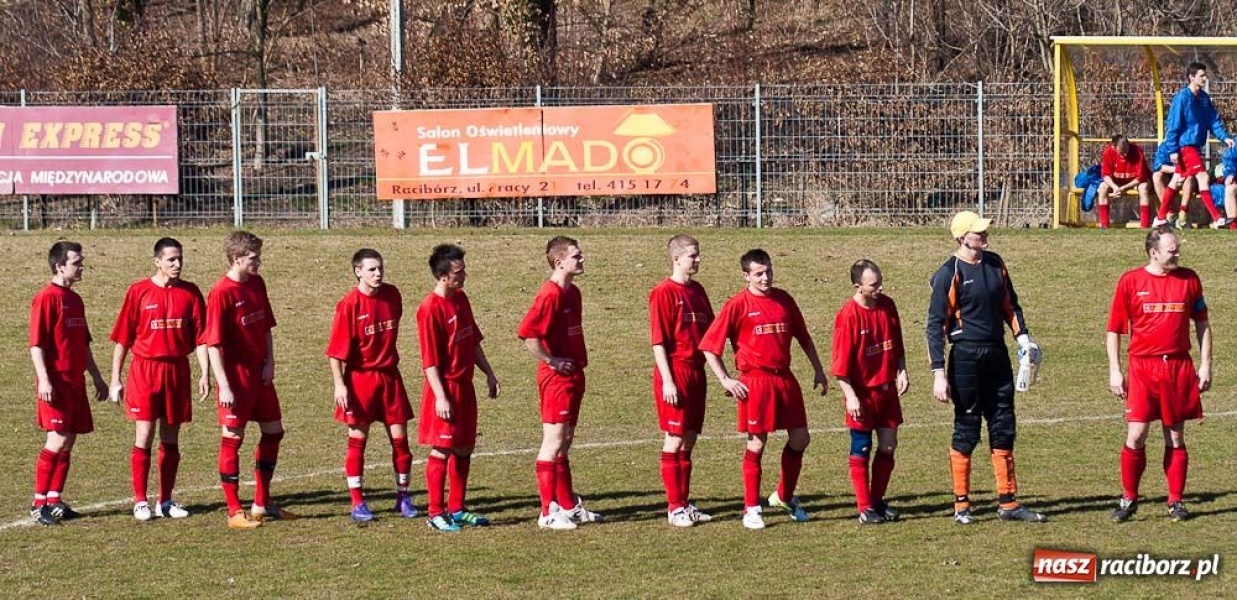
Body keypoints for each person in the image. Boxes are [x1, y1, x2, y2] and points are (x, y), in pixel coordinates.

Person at [926, 211, 1046, 525]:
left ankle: (1009, 502)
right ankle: (961, 505)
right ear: (962, 237)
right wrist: (938, 373)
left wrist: (1023, 339)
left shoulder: (995, 263)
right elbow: (935, 325)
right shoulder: (948, 273)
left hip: (997, 354)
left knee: (1003, 423)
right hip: (966, 356)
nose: (984, 235)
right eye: (978, 232)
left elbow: (1010, 305)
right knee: (967, 427)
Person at [699, 249, 828, 530]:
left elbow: (804, 337)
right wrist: (725, 379)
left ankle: (784, 496)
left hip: (785, 379)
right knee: (757, 443)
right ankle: (751, 508)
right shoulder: (737, 305)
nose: (765, 277)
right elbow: (709, 347)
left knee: (801, 439)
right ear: (746, 276)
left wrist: (818, 369)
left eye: (768, 271)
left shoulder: (784, 300)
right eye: (758, 273)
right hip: (755, 382)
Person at [1106, 227, 1211, 522]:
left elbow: (1202, 323)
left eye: (1177, 249)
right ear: (1154, 252)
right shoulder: (1130, 281)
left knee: (1175, 435)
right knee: (1136, 434)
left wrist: (1205, 364)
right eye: (1171, 250)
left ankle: (1175, 501)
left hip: (1177, 367)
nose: (1177, 254)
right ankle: (1129, 498)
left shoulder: (1190, 280)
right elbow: (1114, 329)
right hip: (1142, 367)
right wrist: (1115, 371)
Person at [108, 238, 209, 522]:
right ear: (157, 261)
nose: (177, 264)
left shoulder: (190, 293)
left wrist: (205, 373)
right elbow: (122, 339)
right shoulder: (138, 291)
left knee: (170, 438)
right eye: (171, 260)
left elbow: (202, 338)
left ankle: (165, 500)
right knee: (144, 435)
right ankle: (140, 500)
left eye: (180, 259)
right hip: (145, 370)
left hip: (177, 370)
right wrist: (115, 378)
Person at [204, 231, 293, 529]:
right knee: (233, 438)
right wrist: (224, 385)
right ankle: (233, 511)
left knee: (274, 431)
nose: (259, 262)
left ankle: (261, 502)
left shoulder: (257, 283)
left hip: (260, 374)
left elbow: (266, 326)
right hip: (235, 378)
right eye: (254, 258)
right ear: (236, 258)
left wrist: (270, 362)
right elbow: (213, 344)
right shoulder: (221, 293)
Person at [326, 248, 417, 525]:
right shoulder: (349, 305)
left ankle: (403, 496)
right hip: (360, 380)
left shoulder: (393, 295)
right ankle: (357, 502)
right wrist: (339, 385)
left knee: (401, 442)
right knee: (358, 441)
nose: (378, 274)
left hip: (390, 377)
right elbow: (335, 352)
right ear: (358, 272)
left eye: (380, 268)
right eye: (372, 269)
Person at [518, 236, 601, 531]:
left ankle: (568, 506)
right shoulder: (549, 295)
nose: (582, 259)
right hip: (556, 379)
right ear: (559, 262)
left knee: (565, 442)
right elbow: (528, 334)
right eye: (576, 256)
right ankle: (547, 512)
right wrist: (551, 360)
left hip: (574, 374)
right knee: (552, 442)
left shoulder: (573, 293)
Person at [415, 244, 501, 532]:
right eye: (458, 272)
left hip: (465, 386)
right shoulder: (429, 310)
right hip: (444, 389)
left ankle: (457, 507)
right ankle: (434, 512)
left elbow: (472, 340)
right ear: (443, 276)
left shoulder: (461, 299)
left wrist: (489, 373)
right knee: (442, 449)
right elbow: (429, 362)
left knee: (464, 447)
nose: (464, 276)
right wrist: (441, 397)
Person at [28, 241, 109, 526]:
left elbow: (83, 344)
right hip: (56, 383)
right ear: (60, 266)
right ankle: (38, 503)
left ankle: (54, 500)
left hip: (75, 383)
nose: (82, 266)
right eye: (77, 262)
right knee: (58, 439)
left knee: (69, 439)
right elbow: (36, 345)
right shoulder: (46, 298)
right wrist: (44, 380)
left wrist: (96, 377)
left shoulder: (75, 300)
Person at [831, 260, 908, 525]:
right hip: (862, 394)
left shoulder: (888, 305)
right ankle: (864, 507)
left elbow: (897, 344)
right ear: (858, 286)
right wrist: (851, 396)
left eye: (880, 281)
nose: (880, 288)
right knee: (861, 447)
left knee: (888, 445)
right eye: (874, 285)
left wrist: (902, 370)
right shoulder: (848, 316)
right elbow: (839, 368)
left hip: (887, 392)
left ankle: (876, 501)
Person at [648, 234, 715, 527]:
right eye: (692, 255)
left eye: (698, 255)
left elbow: (712, 333)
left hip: (697, 372)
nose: (698, 260)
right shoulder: (663, 292)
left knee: (689, 439)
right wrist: (668, 380)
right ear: (676, 258)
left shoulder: (698, 290)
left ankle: (684, 503)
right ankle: (674, 508)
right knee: (674, 439)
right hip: (675, 371)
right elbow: (658, 341)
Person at [1153, 61, 1235, 229]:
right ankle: (1217, 217)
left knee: (1177, 180)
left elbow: (1213, 121)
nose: (1205, 79)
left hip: (1194, 147)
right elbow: (1173, 125)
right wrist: (1173, 150)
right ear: (1191, 77)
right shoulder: (1182, 98)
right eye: (1201, 76)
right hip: (1185, 146)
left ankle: (1160, 217)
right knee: (1203, 177)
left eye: (1205, 75)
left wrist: (1224, 137)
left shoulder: (1204, 99)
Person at [1096, 135, 1154, 229]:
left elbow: (1140, 177)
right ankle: (1104, 225)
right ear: (1114, 147)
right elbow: (1105, 175)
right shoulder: (1108, 152)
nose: (1125, 154)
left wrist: (1124, 188)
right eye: (1121, 152)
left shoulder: (1137, 151)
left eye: (1126, 150)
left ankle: (1144, 225)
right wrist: (1115, 187)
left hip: (1135, 182)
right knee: (1102, 188)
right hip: (1117, 183)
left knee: (1143, 188)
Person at [1150, 144, 1195, 229]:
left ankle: (1183, 214)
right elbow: (1158, 166)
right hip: (1172, 176)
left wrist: (1183, 173)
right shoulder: (1165, 146)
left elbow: (1194, 166)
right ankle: (1170, 213)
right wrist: (1177, 171)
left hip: (1187, 177)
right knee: (1156, 176)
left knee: (1190, 177)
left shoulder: (1188, 146)